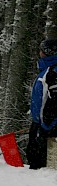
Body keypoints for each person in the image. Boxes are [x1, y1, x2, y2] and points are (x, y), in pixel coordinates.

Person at [26, 39, 57, 169]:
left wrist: (47, 125)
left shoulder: (52, 73)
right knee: (34, 159)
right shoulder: (46, 70)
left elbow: (54, 101)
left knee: (42, 166)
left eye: (42, 50)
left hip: (48, 127)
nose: (39, 53)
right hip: (40, 124)